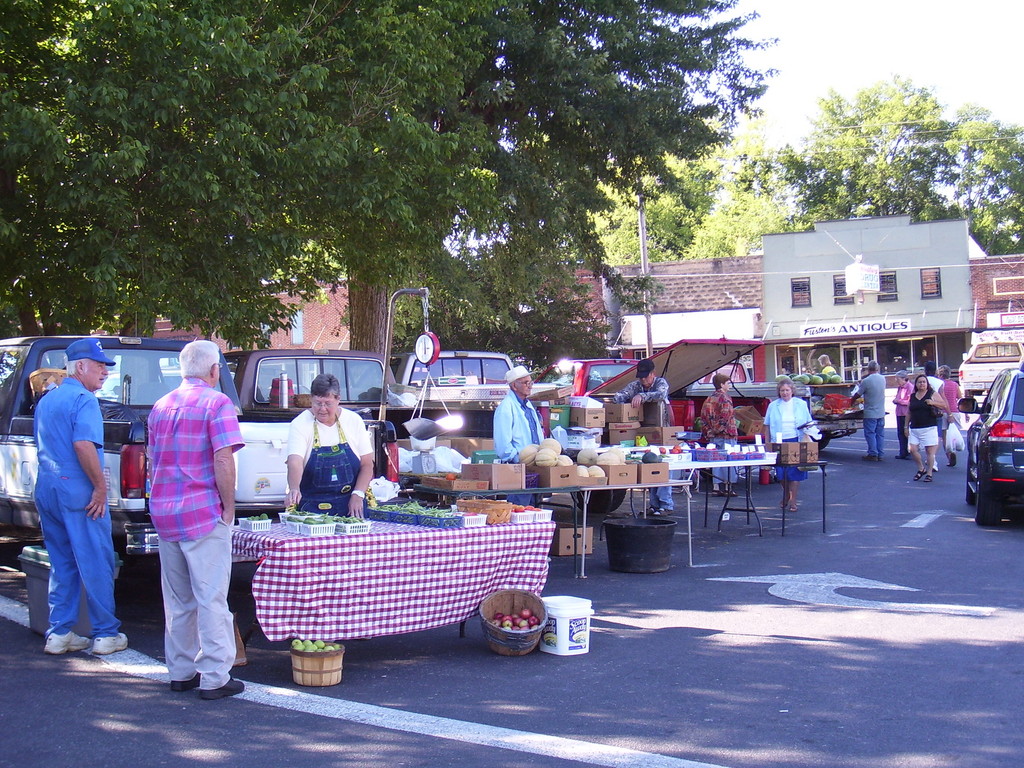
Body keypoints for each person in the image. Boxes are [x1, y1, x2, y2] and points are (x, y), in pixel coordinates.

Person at [148, 340, 246, 700]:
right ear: (214, 370)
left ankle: (180, 670)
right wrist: (229, 505)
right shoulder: (217, 403)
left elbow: (151, 460)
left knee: (177, 599)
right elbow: (223, 459)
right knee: (211, 597)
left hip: (165, 511)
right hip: (202, 511)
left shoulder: (161, 406)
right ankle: (215, 676)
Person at [33, 338, 128, 656]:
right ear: (80, 367)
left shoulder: (48, 398)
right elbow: (84, 445)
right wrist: (100, 488)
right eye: (99, 365)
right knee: (96, 560)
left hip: (47, 485)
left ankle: (60, 632)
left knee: (61, 562)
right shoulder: (86, 401)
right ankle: (105, 634)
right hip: (78, 489)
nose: (104, 371)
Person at [286, 373, 374, 517]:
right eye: (317, 403)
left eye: (328, 403)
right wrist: (294, 488)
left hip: (351, 507)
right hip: (312, 509)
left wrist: (358, 494)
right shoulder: (299, 424)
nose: (322, 409)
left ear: (338, 399)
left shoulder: (353, 421)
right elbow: (294, 462)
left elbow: (367, 464)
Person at [614, 359, 674, 515]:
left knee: (662, 466)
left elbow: (661, 394)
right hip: (643, 433)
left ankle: (666, 504)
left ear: (652, 374)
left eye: (645, 376)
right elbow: (618, 396)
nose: (642, 380)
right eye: (640, 377)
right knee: (650, 466)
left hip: (661, 430)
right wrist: (627, 401)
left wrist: (642, 396)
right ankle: (654, 505)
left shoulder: (661, 383)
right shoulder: (635, 385)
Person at [493, 365, 544, 507]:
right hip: (517, 468)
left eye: (530, 382)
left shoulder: (528, 405)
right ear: (514, 386)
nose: (529, 386)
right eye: (525, 383)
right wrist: (518, 460)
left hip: (534, 466)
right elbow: (503, 445)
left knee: (533, 509)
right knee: (519, 507)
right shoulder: (505, 408)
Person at [763, 376, 813, 513]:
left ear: (792, 391)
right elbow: (766, 426)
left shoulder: (801, 404)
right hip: (778, 441)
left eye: (787, 390)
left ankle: (793, 501)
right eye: (782, 390)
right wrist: (767, 443)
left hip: (796, 440)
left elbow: (809, 423)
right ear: (779, 392)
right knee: (781, 473)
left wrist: (808, 439)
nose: (785, 393)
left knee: (795, 473)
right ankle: (786, 494)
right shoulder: (773, 406)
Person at [700, 372, 738, 497]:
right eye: (728, 383)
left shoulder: (709, 398)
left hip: (713, 436)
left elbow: (703, 418)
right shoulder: (725, 398)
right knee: (728, 460)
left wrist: (709, 432)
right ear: (722, 384)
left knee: (716, 461)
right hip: (727, 435)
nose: (730, 386)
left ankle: (716, 487)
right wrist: (718, 429)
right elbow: (726, 417)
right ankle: (728, 486)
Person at [907, 373, 948, 483]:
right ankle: (921, 468)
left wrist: (932, 402)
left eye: (924, 382)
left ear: (927, 384)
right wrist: (906, 427)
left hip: (929, 427)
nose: (922, 384)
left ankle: (929, 473)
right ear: (916, 384)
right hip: (915, 427)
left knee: (930, 452)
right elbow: (908, 412)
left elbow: (943, 404)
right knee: (912, 450)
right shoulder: (913, 396)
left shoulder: (932, 393)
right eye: (919, 382)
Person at [857, 360, 887, 461]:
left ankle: (873, 453)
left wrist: (851, 401)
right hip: (881, 411)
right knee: (880, 433)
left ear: (868, 369)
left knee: (870, 433)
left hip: (870, 412)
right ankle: (881, 454)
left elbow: (858, 394)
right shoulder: (883, 379)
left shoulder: (866, 381)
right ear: (877, 369)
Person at [938, 365, 963, 467]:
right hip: (955, 411)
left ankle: (949, 455)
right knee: (954, 434)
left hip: (943, 411)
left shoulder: (940, 385)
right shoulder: (955, 385)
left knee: (944, 437)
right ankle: (954, 451)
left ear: (940, 374)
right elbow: (960, 398)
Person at [892, 370, 913, 460]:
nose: (897, 381)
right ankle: (903, 451)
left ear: (904, 379)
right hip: (899, 413)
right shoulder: (900, 387)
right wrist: (895, 400)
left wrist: (899, 401)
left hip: (906, 413)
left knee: (906, 433)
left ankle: (908, 451)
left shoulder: (910, 387)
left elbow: (910, 401)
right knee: (900, 433)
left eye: (898, 379)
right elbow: (898, 397)